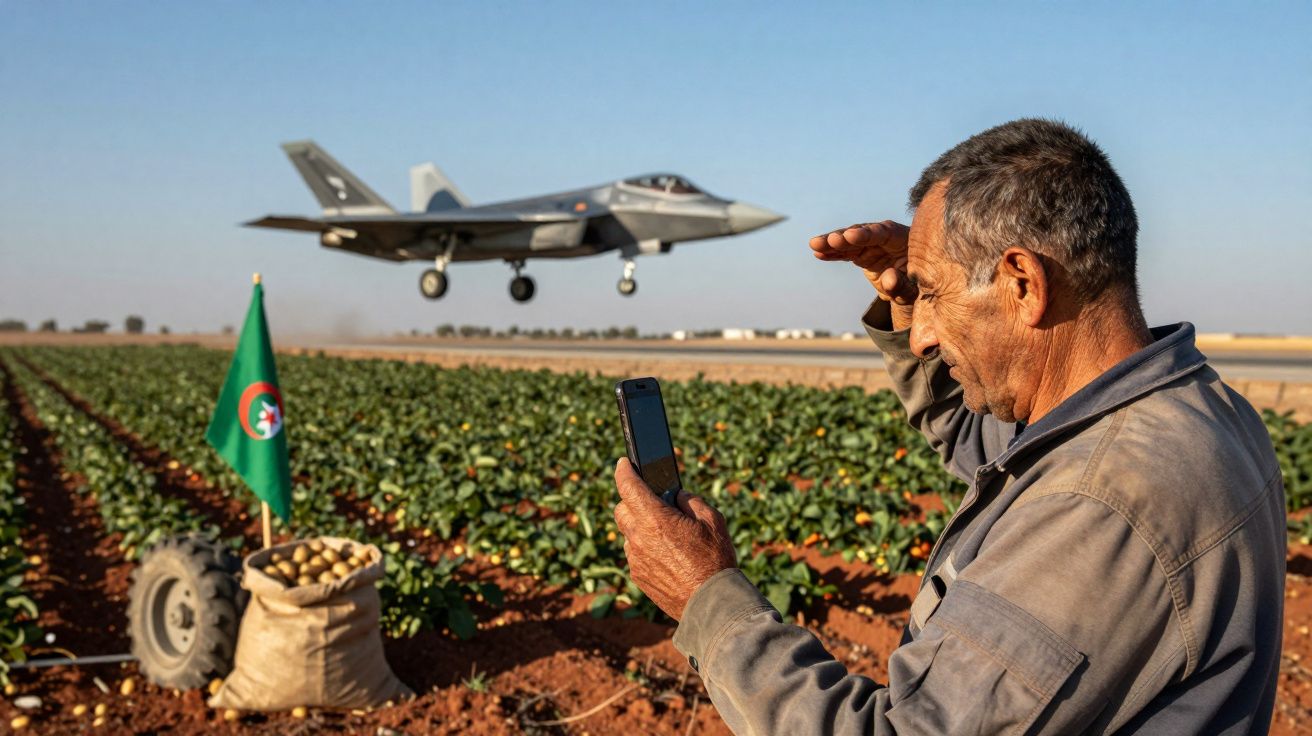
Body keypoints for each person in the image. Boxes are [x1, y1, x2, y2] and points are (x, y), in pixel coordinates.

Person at [611, 118, 1285, 734]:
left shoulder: (1103, 499)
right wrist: (914, 298)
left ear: (1023, 282)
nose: (923, 336)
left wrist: (708, 599)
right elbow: (985, 443)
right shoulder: (1192, 406)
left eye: (934, 292)